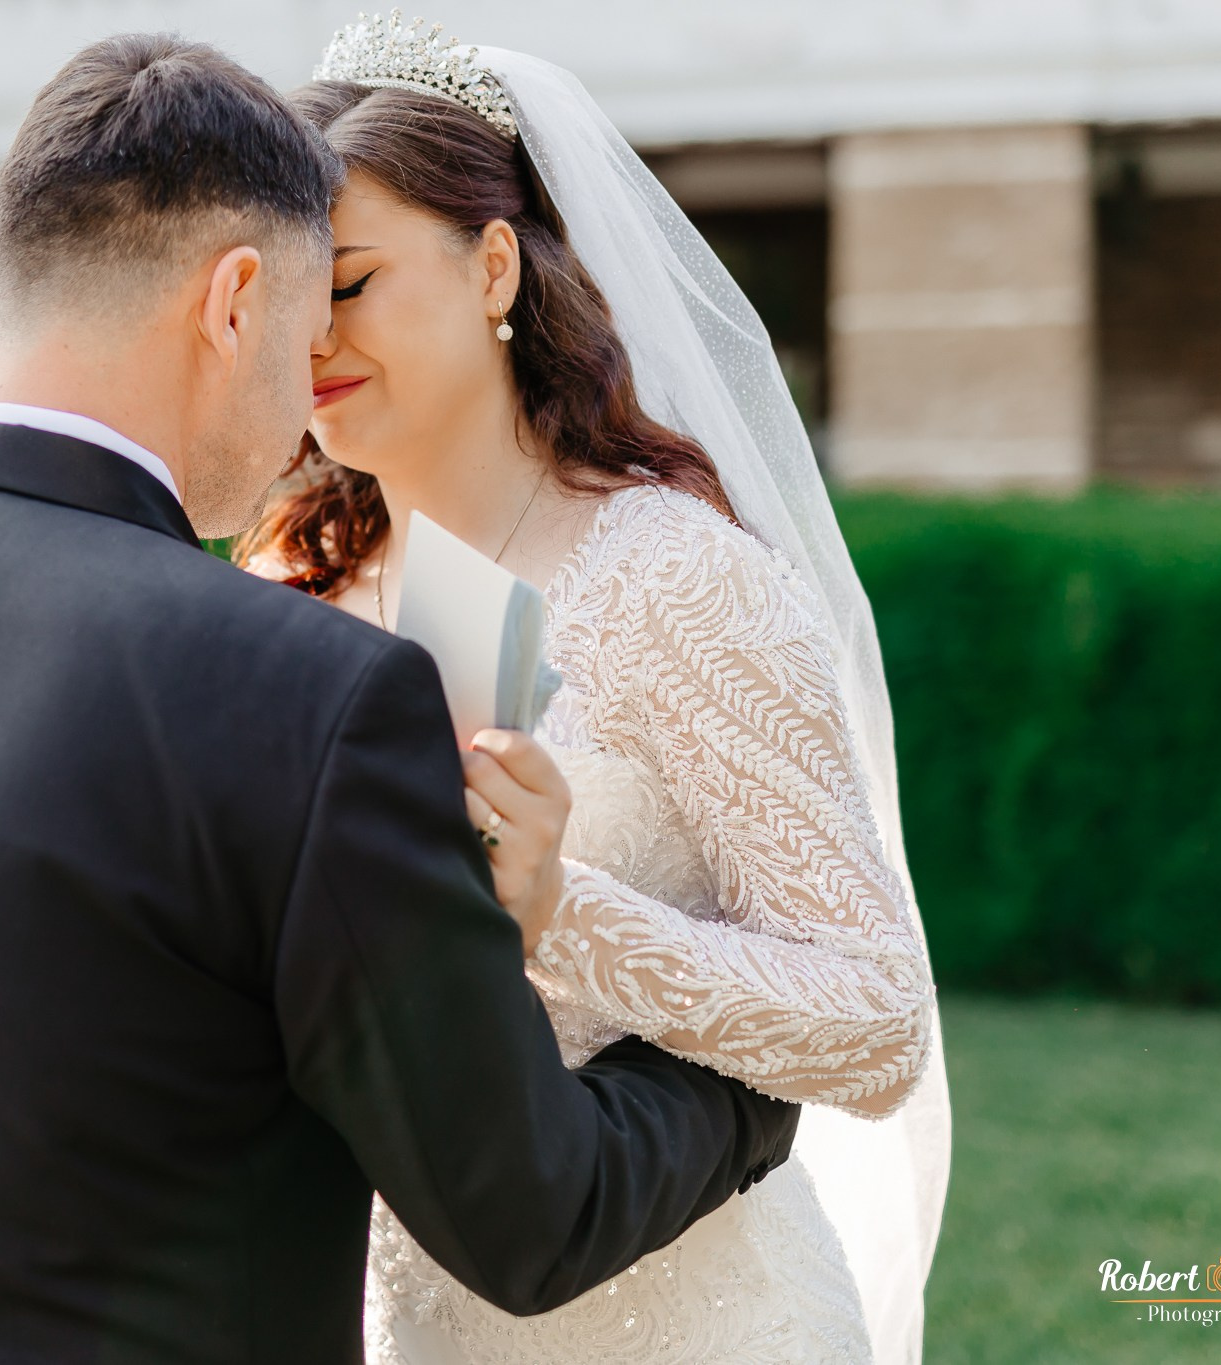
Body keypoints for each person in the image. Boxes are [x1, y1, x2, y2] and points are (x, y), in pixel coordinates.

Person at [0, 33, 802, 1365]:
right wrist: (745, 1089)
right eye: (311, 331)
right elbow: (527, 1210)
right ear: (235, 302)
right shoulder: (317, 694)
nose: (309, 407)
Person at [239, 15, 952, 1363]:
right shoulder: (288, 583)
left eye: (349, 281)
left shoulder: (679, 578)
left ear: (493, 263)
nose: (309, 335)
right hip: (401, 1312)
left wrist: (561, 907)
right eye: (277, 296)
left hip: (693, 1312)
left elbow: (876, 1020)